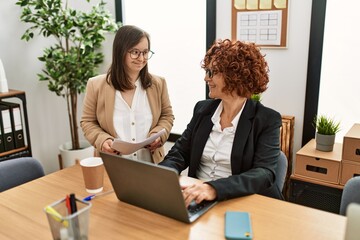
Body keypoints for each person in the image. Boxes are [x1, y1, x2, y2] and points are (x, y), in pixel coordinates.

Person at [159, 39, 283, 206]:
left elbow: (264, 173)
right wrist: (164, 175)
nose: (205, 78)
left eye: (211, 72)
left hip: (240, 201)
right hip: (197, 198)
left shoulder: (267, 119)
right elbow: (180, 152)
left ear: (234, 76)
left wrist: (213, 189)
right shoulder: (203, 110)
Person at [81, 25, 174, 164]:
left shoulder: (158, 83)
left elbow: (167, 116)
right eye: (135, 52)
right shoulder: (95, 85)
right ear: (121, 51)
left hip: (151, 164)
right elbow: (87, 122)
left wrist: (158, 134)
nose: (141, 58)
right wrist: (103, 140)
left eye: (145, 52)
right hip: (113, 165)